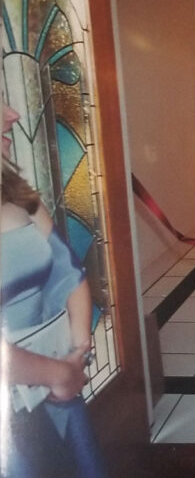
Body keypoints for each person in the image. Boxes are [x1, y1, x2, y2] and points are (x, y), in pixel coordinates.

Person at [2, 104, 106, 478]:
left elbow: (68, 270)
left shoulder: (17, 195)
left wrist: (78, 353)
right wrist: (56, 374)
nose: (12, 113)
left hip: (55, 390)